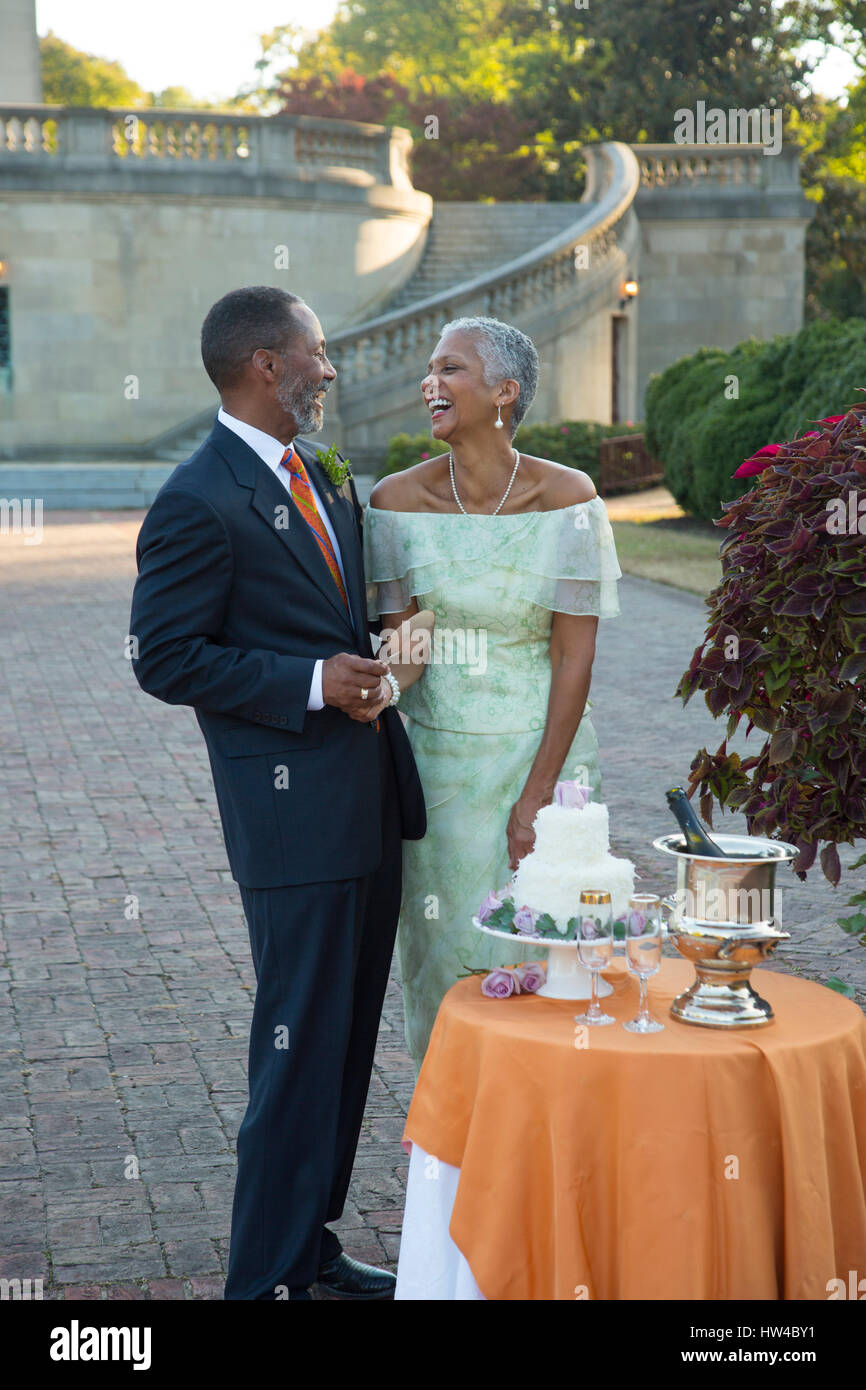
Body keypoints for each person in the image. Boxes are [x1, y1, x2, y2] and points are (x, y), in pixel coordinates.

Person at [129, 285, 426, 1300]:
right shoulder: (196, 496)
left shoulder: (322, 476)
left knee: (339, 1046)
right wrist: (307, 684)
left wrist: (385, 660)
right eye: (317, 350)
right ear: (265, 363)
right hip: (290, 818)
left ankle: (310, 1247)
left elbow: (345, 619)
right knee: (295, 1048)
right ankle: (262, 1282)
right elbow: (164, 657)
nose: (329, 368)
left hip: (369, 800)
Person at [364, 315, 622, 1068]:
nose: (430, 384)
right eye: (429, 370)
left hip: (548, 760)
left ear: (505, 393)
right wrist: (373, 686)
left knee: (550, 964)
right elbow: (406, 645)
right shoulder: (393, 502)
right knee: (446, 967)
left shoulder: (568, 498)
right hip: (439, 777)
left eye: (451, 370)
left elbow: (574, 657)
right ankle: (453, 1164)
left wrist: (538, 794)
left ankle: (545, 1156)